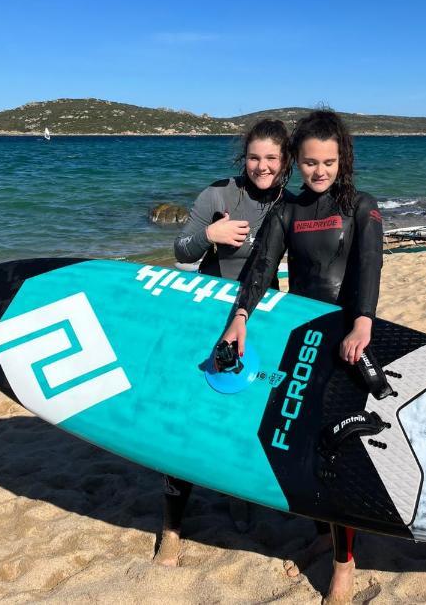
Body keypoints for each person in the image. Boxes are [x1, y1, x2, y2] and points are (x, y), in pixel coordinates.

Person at [220, 108, 383, 605]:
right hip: (302, 339)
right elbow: (261, 267)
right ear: (297, 162)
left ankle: (343, 565)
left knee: (333, 453)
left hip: (347, 337)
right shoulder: (286, 212)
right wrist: (240, 318)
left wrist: (362, 322)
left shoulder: (361, 206)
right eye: (310, 163)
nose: (319, 172)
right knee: (301, 447)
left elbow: (368, 266)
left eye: (328, 162)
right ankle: (321, 534)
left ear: (342, 159)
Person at [154, 118, 292, 567]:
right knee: (190, 414)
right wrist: (209, 236)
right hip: (213, 314)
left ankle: (237, 493)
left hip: (262, 317)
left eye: (271, 158)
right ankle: (172, 525)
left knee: (242, 414)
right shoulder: (217, 196)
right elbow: (181, 249)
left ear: (285, 160)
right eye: (254, 157)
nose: (262, 166)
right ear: (243, 158)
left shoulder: (289, 205)